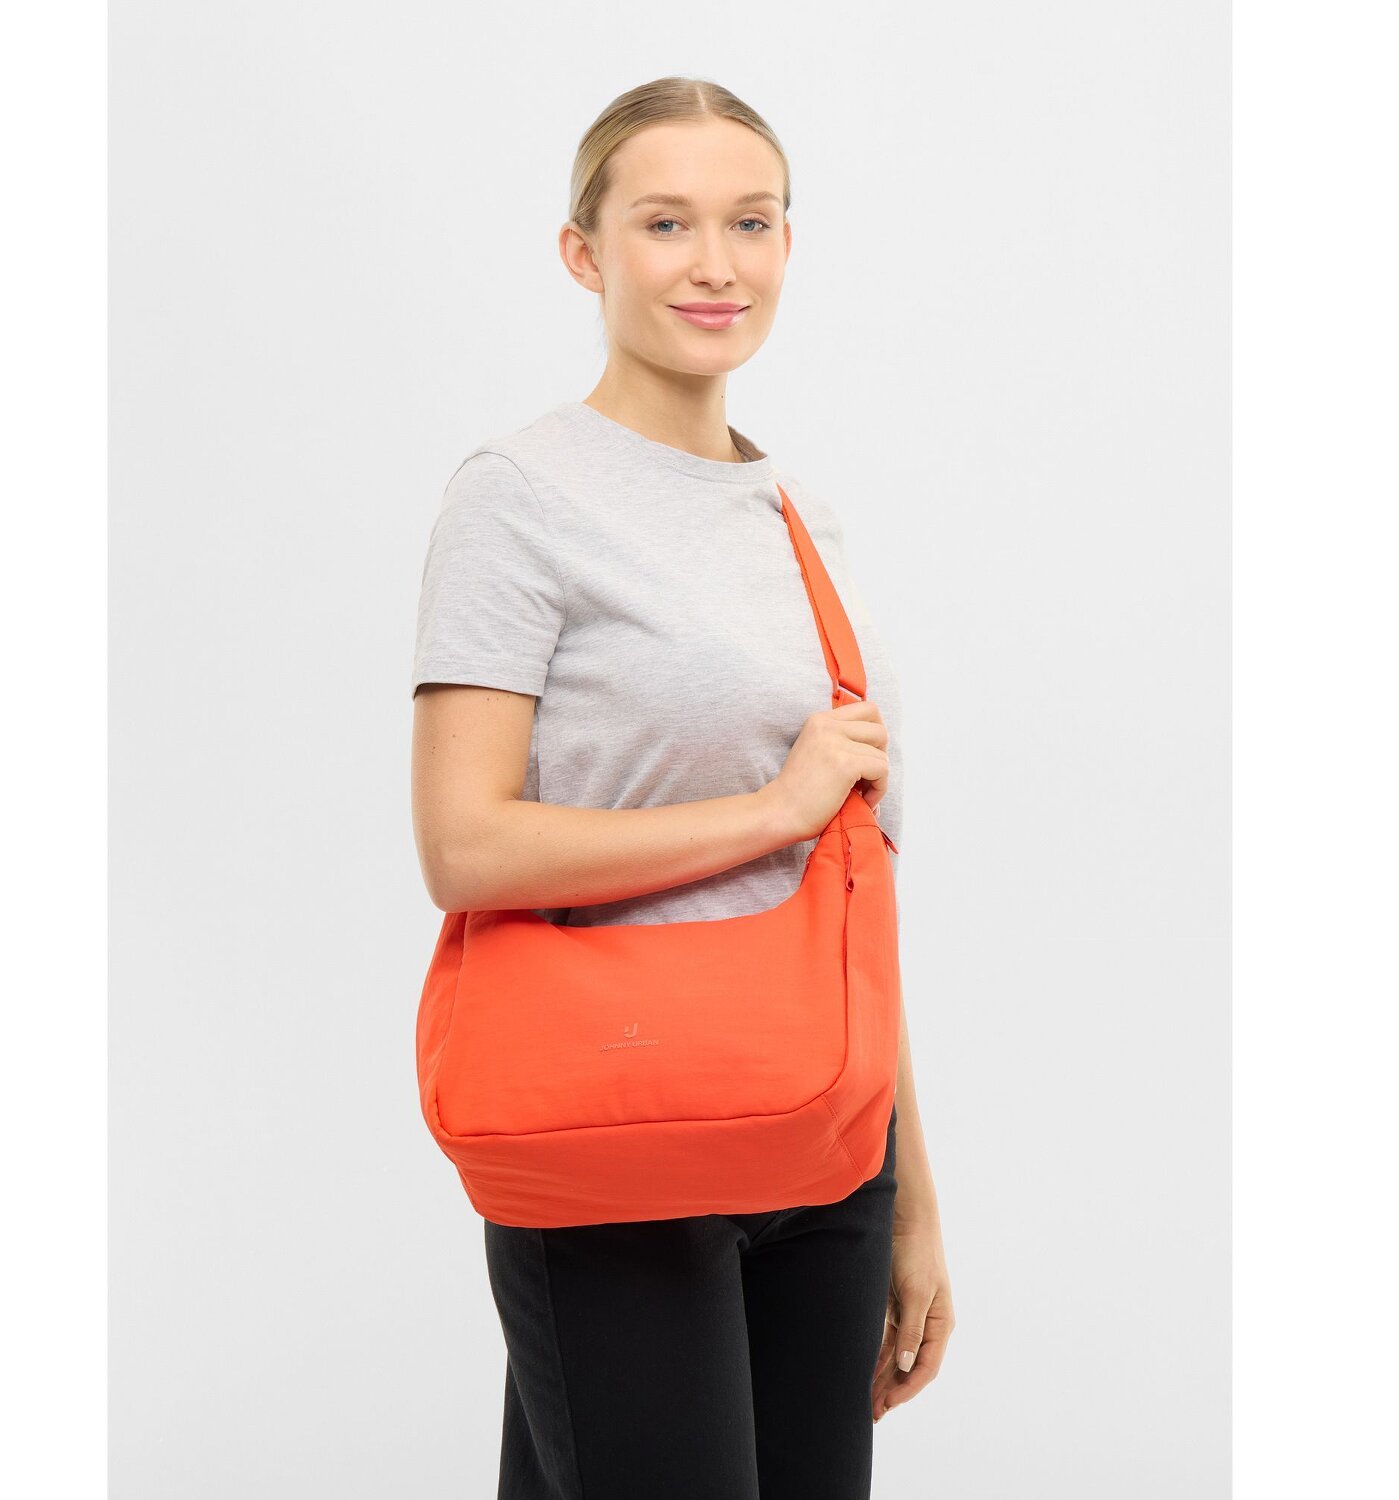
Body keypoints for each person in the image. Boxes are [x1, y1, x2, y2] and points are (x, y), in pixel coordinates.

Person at [408, 75, 954, 1500]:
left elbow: (849, 882)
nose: (716, 263)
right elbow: (464, 843)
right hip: (614, 1133)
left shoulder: (798, 518)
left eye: (750, 222)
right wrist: (770, 809)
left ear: (787, 244)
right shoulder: (519, 496)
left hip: (824, 1158)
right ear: (583, 252)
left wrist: (910, 1198)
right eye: (666, 223)